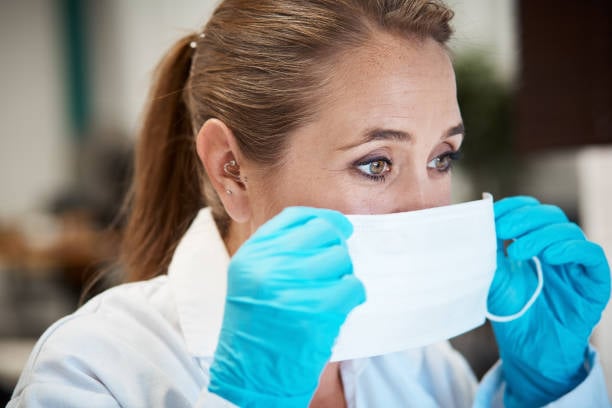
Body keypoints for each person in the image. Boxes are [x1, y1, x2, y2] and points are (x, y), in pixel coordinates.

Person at [9, 1, 611, 407]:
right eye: (375, 163)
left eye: (441, 158)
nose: (426, 210)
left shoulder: (419, 362)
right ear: (232, 169)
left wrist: (548, 388)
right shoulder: (95, 367)